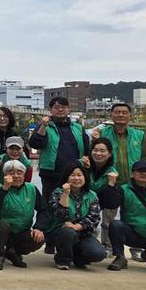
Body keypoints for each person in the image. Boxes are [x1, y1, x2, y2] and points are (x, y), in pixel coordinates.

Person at [28, 96, 90, 238]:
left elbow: (87, 149)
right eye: (56, 107)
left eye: (63, 106)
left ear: (69, 109)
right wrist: (43, 126)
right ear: (51, 110)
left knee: (73, 206)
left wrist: (86, 162)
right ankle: (49, 240)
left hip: (74, 175)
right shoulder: (46, 126)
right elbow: (36, 144)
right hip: (51, 174)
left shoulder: (78, 128)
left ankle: (73, 237)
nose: (60, 109)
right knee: (50, 207)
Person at [47, 163, 107, 271]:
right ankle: (62, 260)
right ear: (67, 177)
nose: (76, 178)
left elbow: (94, 218)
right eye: (73, 175)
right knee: (67, 232)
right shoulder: (57, 192)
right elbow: (59, 215)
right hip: (60, 232)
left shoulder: (92, 195)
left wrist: (77, 226)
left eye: (79, 175)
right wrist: (65, 194)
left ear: (85, 177)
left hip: (82, 233)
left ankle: (77, 256)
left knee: (99, 253)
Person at [0, 160, 45, 271]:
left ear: (24, 175)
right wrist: (5, 188)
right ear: (5, 175)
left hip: (21, 232)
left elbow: (43, 210)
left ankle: (14, 252)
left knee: (39, 238)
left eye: (19, 173)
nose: (16, 176)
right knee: (2, 225)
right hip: (0, 232)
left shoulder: (32, 189)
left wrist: (38, 228)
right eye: (11, 173)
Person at [93, 102, 146, 185]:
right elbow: (93, 157)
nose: (121, 115)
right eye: (117, 112)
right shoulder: (102, 134)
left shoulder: (139, 135)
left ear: (130, 116)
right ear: (111, 115)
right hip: (108, 183)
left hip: (133, 184)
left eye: (124, 113)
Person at [88, 138, 120, 254]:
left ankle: (108, 245)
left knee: (108, 221)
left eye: (102, 151)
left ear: (110, 154)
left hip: (105, 199)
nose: (98, 154)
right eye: (95, 150)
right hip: (88, 199)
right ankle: (89, 241)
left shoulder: (112, 171)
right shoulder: (84, 165)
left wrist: (111, 184)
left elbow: (113, 200)